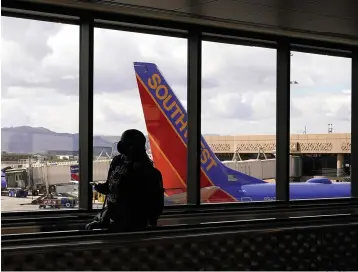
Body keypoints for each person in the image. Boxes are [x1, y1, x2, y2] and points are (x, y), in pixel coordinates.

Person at [85, 129, 164, 232]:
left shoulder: (147, 172)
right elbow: (112, 186)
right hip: (112, 216)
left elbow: (155, 205)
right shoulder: (117, 161)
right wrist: (101, 187)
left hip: (131, 224)